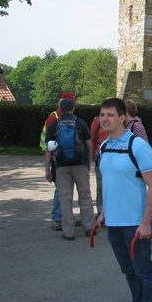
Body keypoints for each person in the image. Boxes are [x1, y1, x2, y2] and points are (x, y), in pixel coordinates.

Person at [96, 98, 152, 302]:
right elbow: (109, 183)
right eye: (102, 114)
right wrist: (103, 212)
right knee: (129, 271)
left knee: (143, 272)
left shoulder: (138, 146)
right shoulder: (104, 147)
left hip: (134, 223)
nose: (105, 119)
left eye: (110, 115)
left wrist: (146, 222)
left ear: (123, 118)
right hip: (114, 223)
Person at [44, 98, 96, 240]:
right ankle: (89, 227)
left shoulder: (55, 124)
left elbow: (49, 150)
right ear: (73, 108)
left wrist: (48, 169)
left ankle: (68, 231)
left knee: (65, 197)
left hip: (61, 166)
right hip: (80, 163)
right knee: (84, 195)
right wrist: (89, 160)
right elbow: (89, 144)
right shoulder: (80, 123)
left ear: (61, 109)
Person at [40, 91, 77, 231]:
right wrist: (48, 167)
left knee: (65, 189)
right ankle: (57, 217)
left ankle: (65, 216)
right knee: (61, 190)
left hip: (61, 159)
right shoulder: (54, 118)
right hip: (58, 160)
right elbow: (49, 145)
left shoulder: (56, 117)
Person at [90, 114, 109, 213]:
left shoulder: (97, 121)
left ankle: (105, 210)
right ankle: (101, 211)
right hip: (101, 154)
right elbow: (92, 138)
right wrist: (93, 154)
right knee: (101, 184)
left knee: (104, 184)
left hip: (104, 153)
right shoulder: (97, 121)